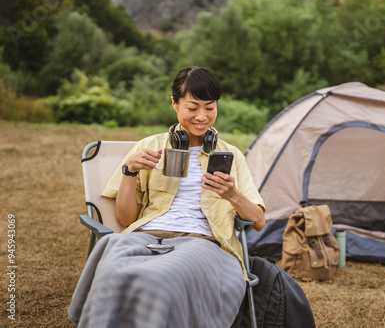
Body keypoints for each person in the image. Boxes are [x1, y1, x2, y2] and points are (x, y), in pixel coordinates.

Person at [68, 66, 266, 327]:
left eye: (210, 107)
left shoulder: (232, 155)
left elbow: (259, 221)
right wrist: (130, 171)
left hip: (201, 242)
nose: (202, 116)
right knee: (113, 264)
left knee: (164, 277)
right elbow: (126, 219)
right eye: (192, 108)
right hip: (145, 235)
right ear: (174, 103)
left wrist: (233, 195)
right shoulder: (148, 147)